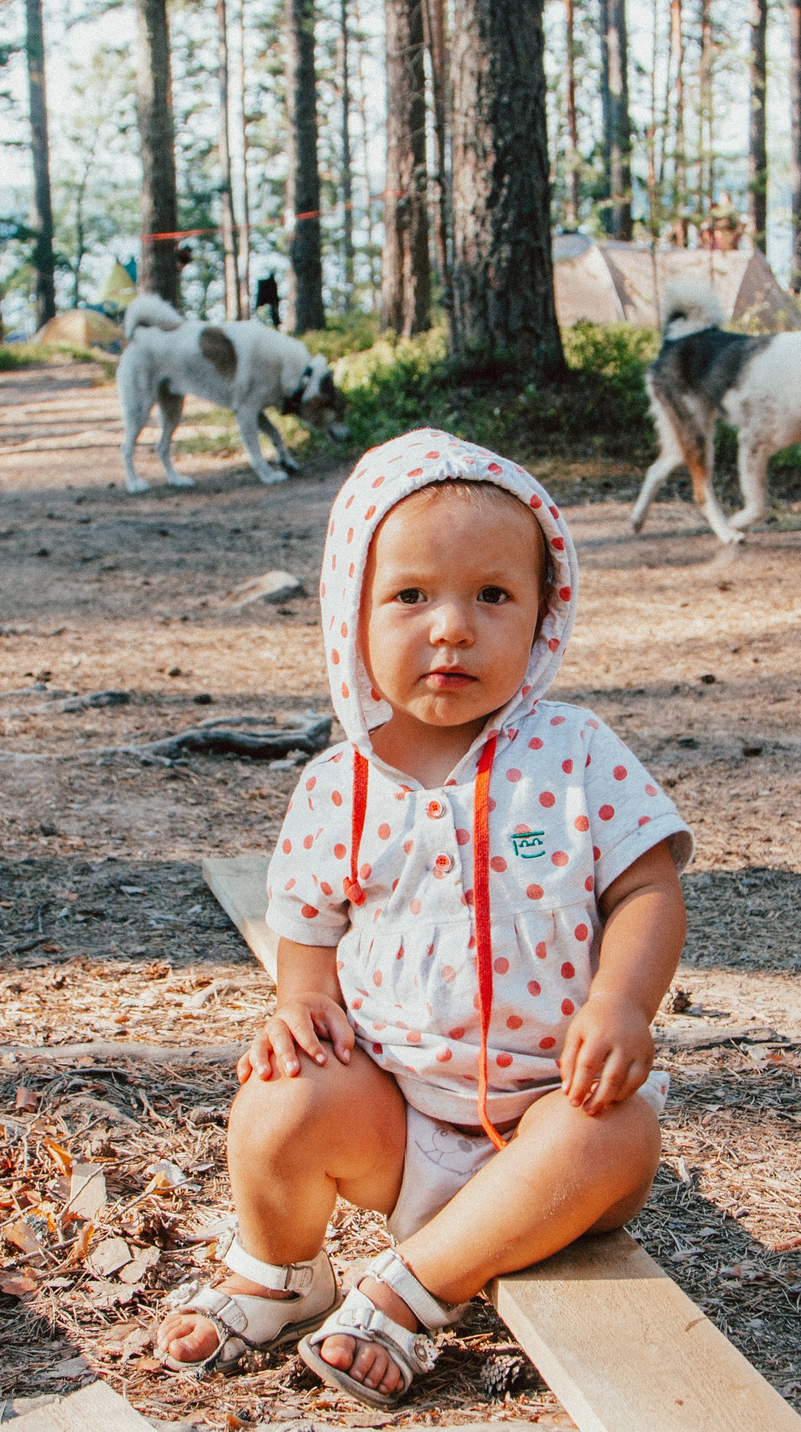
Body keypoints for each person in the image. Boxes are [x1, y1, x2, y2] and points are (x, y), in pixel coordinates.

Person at [153, 430, 690, 1406]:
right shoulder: (338, 785)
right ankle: (276, 1271)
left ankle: (406, 1295)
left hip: (545, 1124)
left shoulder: (573, 753)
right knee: (278, 1099)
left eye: (493, 596)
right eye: (410, 597)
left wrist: (620, 1005)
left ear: (544, 614)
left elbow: (648, 886)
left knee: (614, 1136)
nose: (452, 629)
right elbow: (304, 922)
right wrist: (302, 1004)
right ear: (349, 617)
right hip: (395, 1120)